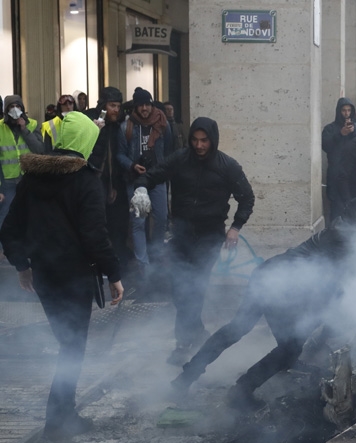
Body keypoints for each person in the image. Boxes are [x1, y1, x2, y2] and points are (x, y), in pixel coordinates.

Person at [170, 196, 356, 408]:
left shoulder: (344, 233)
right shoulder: (343, 242)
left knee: (239, 329)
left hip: (270, 275)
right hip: (280, 288)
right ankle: (241, 391)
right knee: (288, 348)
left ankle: (185, 378)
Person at [0, 111, 124, 443]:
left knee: (71, 346)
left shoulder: (31, 178)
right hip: (73, 278)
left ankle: (67, 414)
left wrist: (23, 266)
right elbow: (95, 236)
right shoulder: (85, 181)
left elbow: (9, 230)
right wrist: (114, 275)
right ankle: (54, 430)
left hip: (46, 277)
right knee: (71, 350)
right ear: (85, 142)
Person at [134, 117, 255, 365]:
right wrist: (141, 189)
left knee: (194, 286)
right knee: (180, 289)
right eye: (195, 140)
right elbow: (151, 175)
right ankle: (197, 332)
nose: (199, 146)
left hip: (210, 235)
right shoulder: (179, 159)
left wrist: (235, 227)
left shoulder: (227, 166)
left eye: (204, 141)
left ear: (213, 140)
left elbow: (247, 198)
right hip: (181, 234)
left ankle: (183, 343)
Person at [117, 87, 172, 273]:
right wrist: (132, 165)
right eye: (140, 105)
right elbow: (120, 154)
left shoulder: (162, 123)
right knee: (138, 221)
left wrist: (164, 169)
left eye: (147, 104)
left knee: (161, 218)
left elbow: (169, 150)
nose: (144, 109)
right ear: (135, 107)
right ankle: (143, 263)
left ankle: (156, 255)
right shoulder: (127, 126)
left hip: (157, 178)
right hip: (135, 179)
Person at [84, 87, 130, 266]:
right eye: (112, 105)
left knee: (115, 223)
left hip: (111, 181)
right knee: (95, 221)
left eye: (118, 106)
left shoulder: (117, 124)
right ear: (104, 105)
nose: (116, 110)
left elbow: (115, 156)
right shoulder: (89, 120)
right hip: (93, 178)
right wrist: (94, 130)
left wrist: (114, 186)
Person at [0, 95, 44, 249]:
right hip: (8, 182)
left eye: (17, 106)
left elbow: (40, 150)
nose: (14, 110)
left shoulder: (32, 124)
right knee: (6, 217)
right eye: (11, 107)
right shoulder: (0, 127)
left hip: (29, 180)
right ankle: (5, 249)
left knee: (31, 215)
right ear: (6, 110)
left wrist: (24, 129)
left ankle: (30, 248)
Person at [321, 97, 356, 219]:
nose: (346, 113)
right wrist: (340, 134)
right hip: (336, 175)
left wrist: (353, 132)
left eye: (349, 110)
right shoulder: (330, 129)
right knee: (337, 210)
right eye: (344, 110)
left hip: (353, 176)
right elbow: (325, 145)